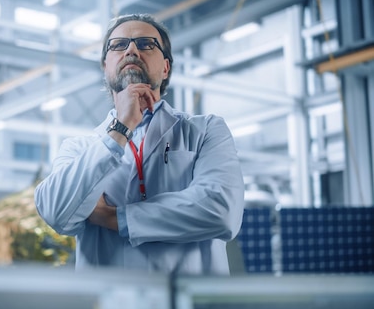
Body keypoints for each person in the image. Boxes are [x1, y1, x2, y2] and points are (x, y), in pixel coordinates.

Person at [34, 14, 244, 275]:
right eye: (118, 45)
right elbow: (57, 213)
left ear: (166, 67)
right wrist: (119, 129)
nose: (131, 49)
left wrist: (115, 218)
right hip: (107, 307)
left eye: (146, 44)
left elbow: (221, 211)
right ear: (105, 66)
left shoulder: (205, 130)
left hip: (192, 306)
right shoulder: (79, 148)